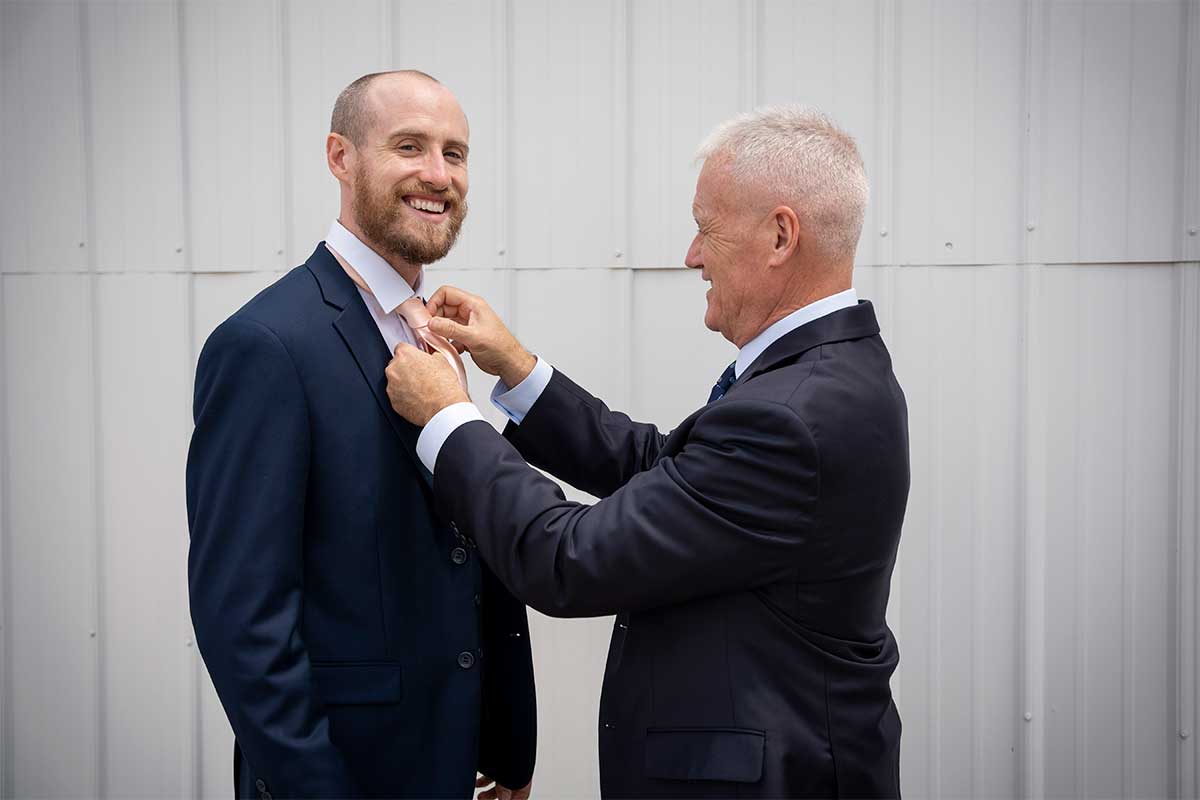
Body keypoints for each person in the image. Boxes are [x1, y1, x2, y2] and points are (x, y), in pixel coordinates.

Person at [384, 106, 909, 798]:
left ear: (781, 235)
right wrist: (517, 369)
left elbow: (565, 558)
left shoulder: (793, 415)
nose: (691, 255)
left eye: (705, 228)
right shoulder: (830, 376)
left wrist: (449, 419)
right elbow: (673, 473)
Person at [186, 70, 536, 800]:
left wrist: (506, 745)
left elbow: (462, 545)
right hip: (345, 775)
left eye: (456, 153)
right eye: (409, 146)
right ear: (340, 157)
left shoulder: (441, 339)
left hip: (459, 766)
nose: (438, 175)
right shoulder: (267, 345)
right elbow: (244, 620)